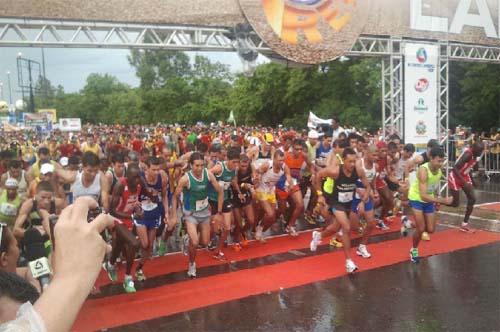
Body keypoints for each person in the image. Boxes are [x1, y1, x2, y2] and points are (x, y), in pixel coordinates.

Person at [0, 197, 115, 332]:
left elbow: (29, 272)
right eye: (16, 245)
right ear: (4, 259)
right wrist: (73, 275)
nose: (19, 250)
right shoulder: (9, 311)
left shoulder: (17, 275)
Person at [311, 148, 373, 273]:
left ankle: (319, 236)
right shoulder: (335, 171)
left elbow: (368, 186)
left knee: (335, 227)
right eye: (349, 161)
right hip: (335, 202)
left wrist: (363, 201)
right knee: (346, 227)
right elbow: (318, 175)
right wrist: (320, 194)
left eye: (354, 161)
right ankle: (349, 261)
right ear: (343, 161)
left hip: (348, 204)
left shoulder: (358, 171)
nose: (352, 164)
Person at [171, 152, 223, 278]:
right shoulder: (185, 179)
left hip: (205, 213)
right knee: (195, 242)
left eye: (201, 165)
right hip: (191, 213)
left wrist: (219, 213)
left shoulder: (208, 174)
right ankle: (192, 264)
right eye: (196, 166)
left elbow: (220, 191)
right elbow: (175, 196)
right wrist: (173, 215)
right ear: (190, 165)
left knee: (205, 242)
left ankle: (188, 239)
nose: (199, 168)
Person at [407, 147, 453, 263]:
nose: (440, 163)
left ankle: (409, 223)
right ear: (431, 158)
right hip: (417, 198)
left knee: (431, 230)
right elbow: (423, 195)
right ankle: (414, 249)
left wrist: (437, 199)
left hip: (428, 199)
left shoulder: (439, 170)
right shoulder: (423, 170)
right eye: (438, 161)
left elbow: (433, 186)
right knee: (421, 228)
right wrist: (442, 200)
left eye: (442, 161)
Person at [103, 163, 143, 293]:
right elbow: (112, 210)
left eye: (138, 177)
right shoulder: (120, 185)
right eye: (134, 178)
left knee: (120, 245)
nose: (137, 180)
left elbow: (136, 203)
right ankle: (127, 277)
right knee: (134, 243)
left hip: (128, 219)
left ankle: (110, 264)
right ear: (127, 177)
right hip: (117, 218)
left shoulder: (139, 184)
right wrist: (131, 215)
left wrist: (139, 210)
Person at [134, 156, 169, 279]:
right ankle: (132, 242)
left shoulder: (163, 177)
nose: (156, 172)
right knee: (144, 243)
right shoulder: (140, 178)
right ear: (146, 169)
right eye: (153, 170)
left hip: (154, 213)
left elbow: (164, 196)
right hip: (141, 213)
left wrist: (166, 213)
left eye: (157, 170)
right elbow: (133, 196)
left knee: (149, 247)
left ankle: (139, 269)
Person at [207, 147, 241, 260]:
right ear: (228, 159)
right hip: (212, 200)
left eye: (237, 162)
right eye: (233, 162)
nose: (235, 164)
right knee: (215, 228)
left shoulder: (234, 170)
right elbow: (206, 175)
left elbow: (233, 180)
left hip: (225, 199)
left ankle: (218, 250)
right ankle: (210, 239)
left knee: (227, 227)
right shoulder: (219, 167)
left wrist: (239, 192)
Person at [448, 141, 485, 233]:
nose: (481, 153)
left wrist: (472, 180)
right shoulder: (468, 154)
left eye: (481, 151)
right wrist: (463, 181)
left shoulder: (475, 156)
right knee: (455, 203)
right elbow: (455, 168)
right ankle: (439, 202)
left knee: (472, 198)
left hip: (464, 176)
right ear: (474, 149)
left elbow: (468, 168)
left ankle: (464, 224)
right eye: (479, 151)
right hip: (455, 176)